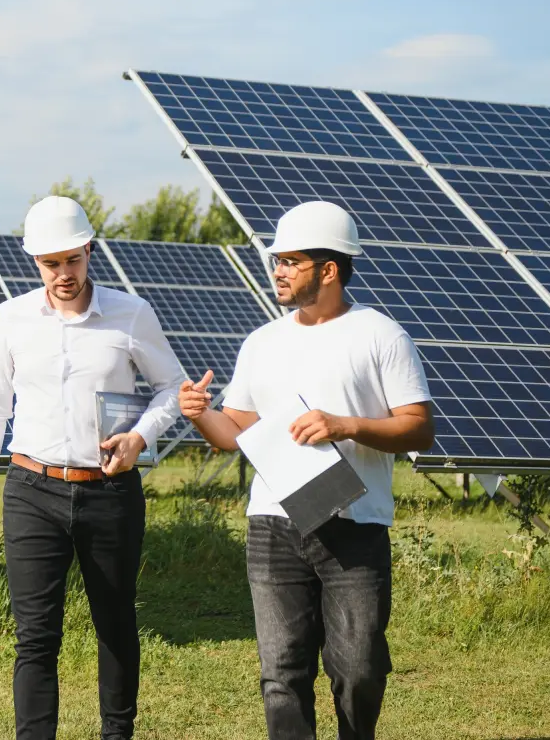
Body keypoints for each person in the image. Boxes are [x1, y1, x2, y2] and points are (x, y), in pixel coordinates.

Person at [178, 200, 435, 740]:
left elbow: (418, 429)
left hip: (354, 524)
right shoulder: (262, 343)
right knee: (282, 673)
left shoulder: (381, 336)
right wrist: (202, 416)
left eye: (291, 261)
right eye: (278, 261)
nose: (278, 271)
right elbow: (235, 436)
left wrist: (346, 425)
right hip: (273, 524)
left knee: (359, 667)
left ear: (330, 269)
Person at [0, 195, 187, 740]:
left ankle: (118, 734)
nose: (63, 274)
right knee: (35, 637)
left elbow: (174, 389)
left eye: (73, 259)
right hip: (30, 491)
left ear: (90, 250)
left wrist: (140, 436)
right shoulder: (11, 318)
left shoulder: (130, 313)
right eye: (50, 263)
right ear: (34, 262)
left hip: (110, 493)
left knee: (115, 624)